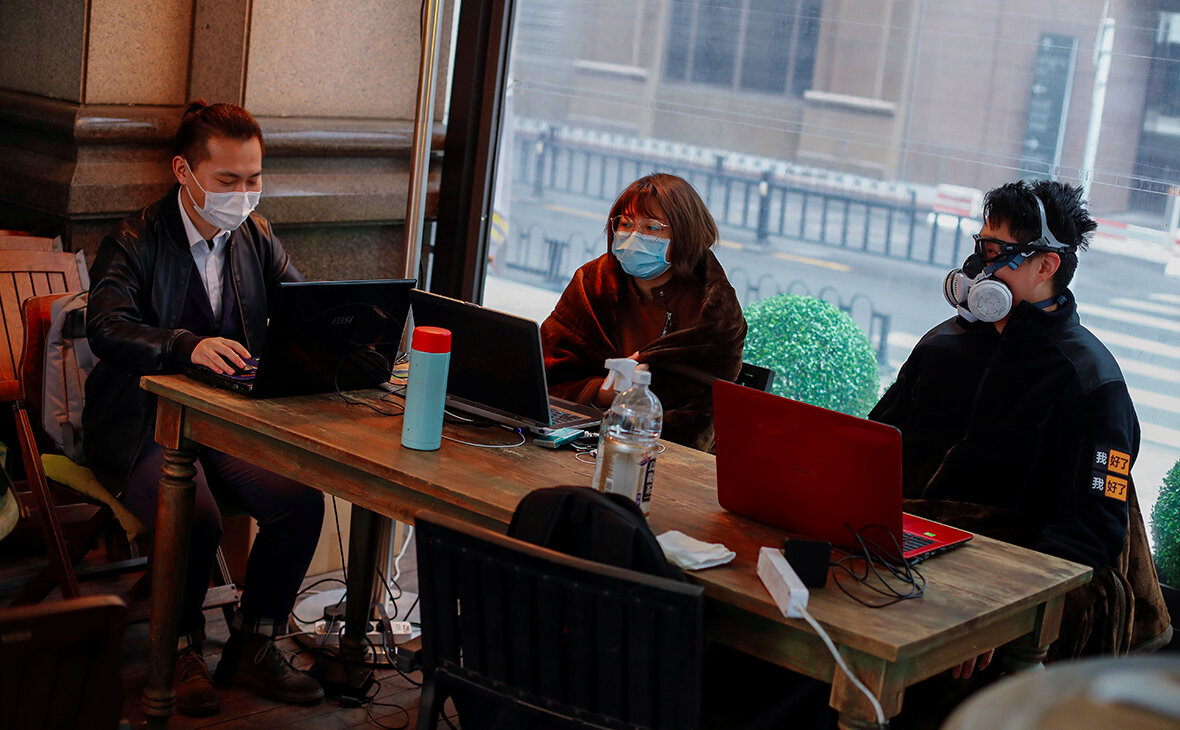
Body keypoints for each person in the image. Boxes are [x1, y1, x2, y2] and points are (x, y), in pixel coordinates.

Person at [870, 180, 1171, 723]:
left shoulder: (1090, 381)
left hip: (1007, 577)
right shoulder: (943, 346)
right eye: (979, 247)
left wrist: (998, 609)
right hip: (908, 550)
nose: (977, 267)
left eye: (995, 252)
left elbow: (1091, 531)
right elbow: (871, 445)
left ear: (1046, 265)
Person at [83, 101, 326, 716]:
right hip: (141, 423)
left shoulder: (256, 236)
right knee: (193, 516)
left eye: (254, 179)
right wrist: (185, 345)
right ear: (183, 171)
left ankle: (253, 644)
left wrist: (351, 335)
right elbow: (106, 327)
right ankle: (181, 649)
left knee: (300, 502)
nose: (242, 196)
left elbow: (304, 306)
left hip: (224, 421)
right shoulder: (133, 239)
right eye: (227, 180)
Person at [541, 173, 747, 451]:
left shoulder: (714, 313)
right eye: (626, 224)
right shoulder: (592, 281)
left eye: (651, 227)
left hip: (661, 453)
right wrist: (603, 393)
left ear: (685, 235)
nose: (633, 236)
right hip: (575, 440)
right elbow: (547, 375)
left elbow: (701, 418)